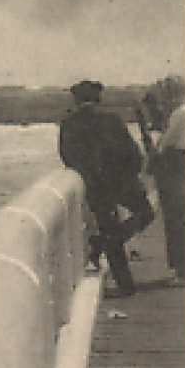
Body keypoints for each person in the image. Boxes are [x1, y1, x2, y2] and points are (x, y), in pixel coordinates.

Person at [58, 79, 158, 297]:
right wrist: (132, 176)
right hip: (121, 182)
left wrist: (87, 177)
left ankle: (124, 282)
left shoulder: (69, 123)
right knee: (146, 213)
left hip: (93, 185)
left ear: (76, 99)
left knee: (109, 227)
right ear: (98, 98)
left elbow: (67, 157)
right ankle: (102, 245)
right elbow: (133, 153)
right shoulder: (111, 119)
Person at [151, 78, 185, 285]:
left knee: (176, 217)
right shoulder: (182, 112)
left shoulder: (179, 113)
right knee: (179, 215)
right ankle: (181, 269)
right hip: (179, 163)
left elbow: (163, 145)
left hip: (173, 165)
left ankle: (182, 271)